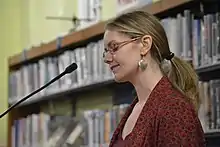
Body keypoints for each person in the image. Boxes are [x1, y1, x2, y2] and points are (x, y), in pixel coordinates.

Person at [103, 10, 206, 147]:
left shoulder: (174, 108)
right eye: (105, 52)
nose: (107, 59)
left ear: (145, 45)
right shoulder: (136, 107)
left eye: (114, 47)